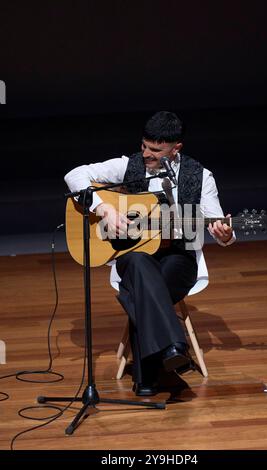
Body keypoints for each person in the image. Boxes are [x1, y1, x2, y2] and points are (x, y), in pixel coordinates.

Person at [64, 111, 235, 396]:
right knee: (141, 264)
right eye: (144, 145)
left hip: (179, 258)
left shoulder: (200, 176)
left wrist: (226, 234)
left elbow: (217, 220)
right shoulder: (128, 165)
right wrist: (102, 207)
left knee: (145, 288)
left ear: (175, 148)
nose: (146, 153)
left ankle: (148, 375)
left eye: (155, 150)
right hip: (132, 255)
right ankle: (172, 348)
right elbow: (75, 175)